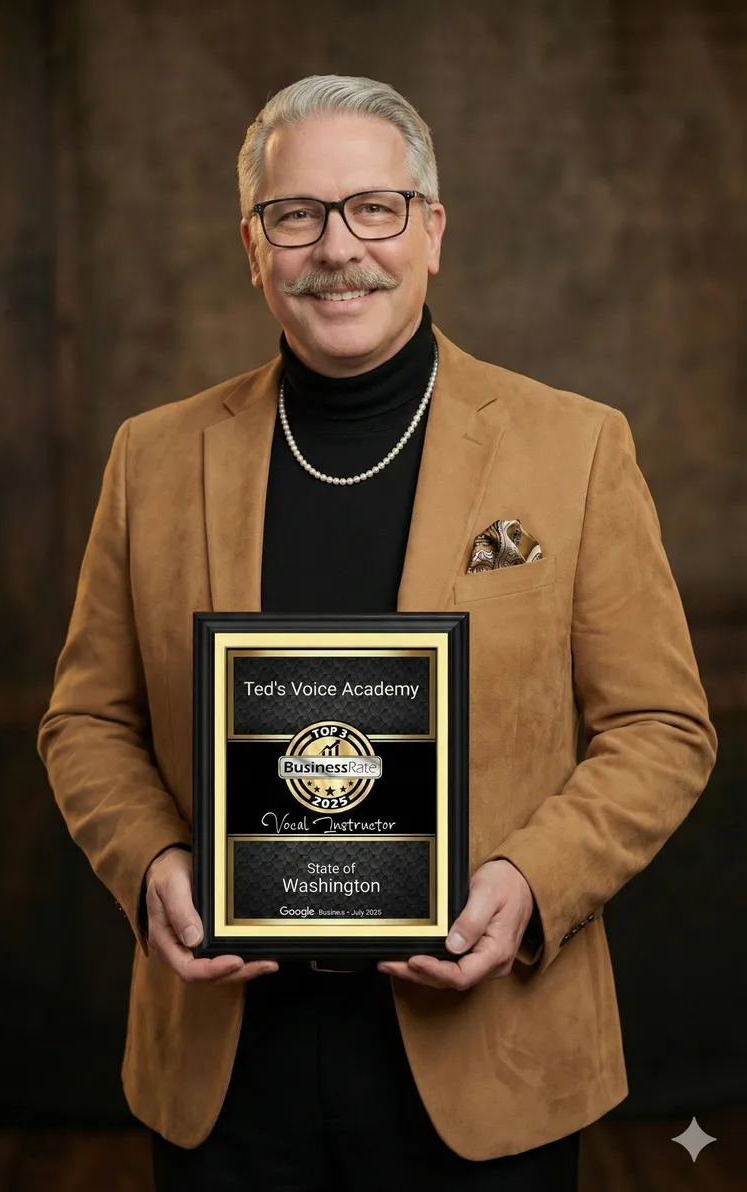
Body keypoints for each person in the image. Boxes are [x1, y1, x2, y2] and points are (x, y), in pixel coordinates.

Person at [38, 75, 717, 1191]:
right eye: (295, 214)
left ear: (431, 231)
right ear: (252, 247)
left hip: (489, 1055)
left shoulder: (577, 447)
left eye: (373, 208)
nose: (336, 247)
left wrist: (531, 880)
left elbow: (661, 725)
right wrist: (151, 859)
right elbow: (86, 720)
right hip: (226, 1065)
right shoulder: (150, 458)